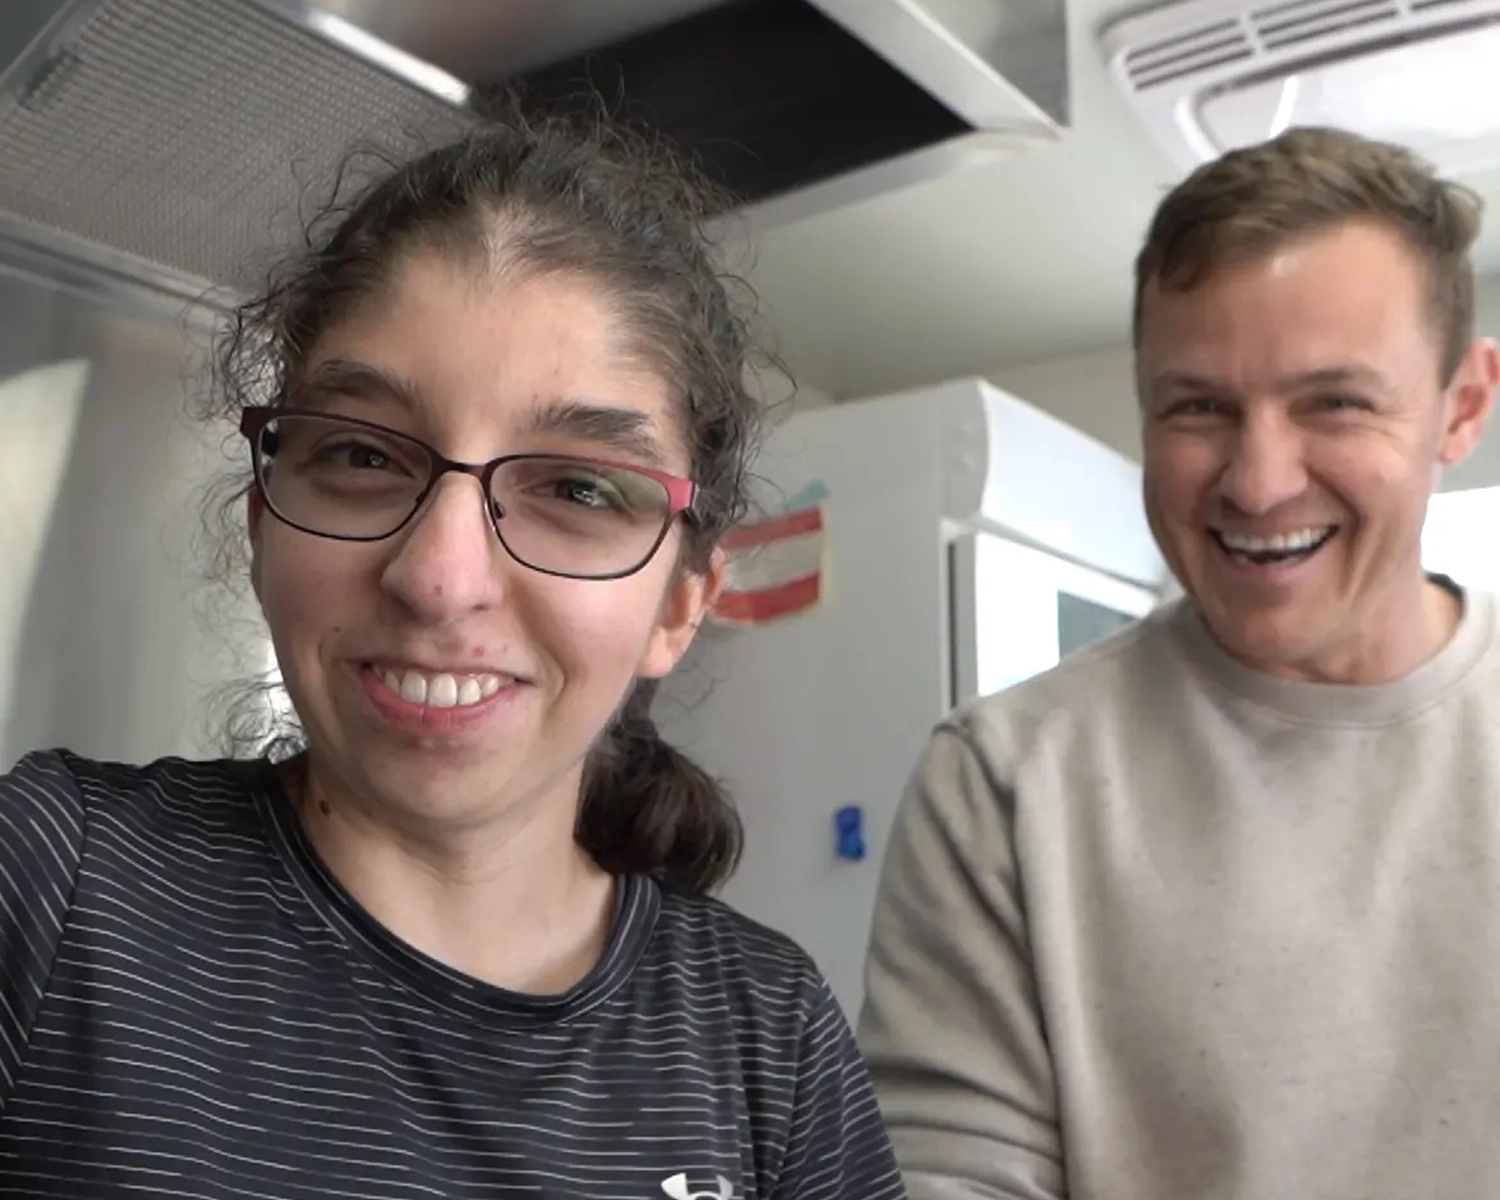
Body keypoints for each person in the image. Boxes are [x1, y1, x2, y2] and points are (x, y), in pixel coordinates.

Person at [0, 113, 906, 1200]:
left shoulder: (769, 1041)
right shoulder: (52, 889)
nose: (440, 576)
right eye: (362, 454)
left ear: (681, 603)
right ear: (260, 522)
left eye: (578, 489)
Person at [857, 125, 1500, 1199]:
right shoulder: (1006, 782)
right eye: (1199, 407)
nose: (1257, 481)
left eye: (1335, 402)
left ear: (1462, 407)